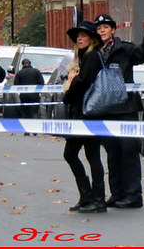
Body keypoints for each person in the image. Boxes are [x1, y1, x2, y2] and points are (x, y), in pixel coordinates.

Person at [93, 13, 144, 209]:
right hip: (104, 109)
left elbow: (143, 54)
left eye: (105, 27)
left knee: (128, 151)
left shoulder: (124, 49)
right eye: (98, 28)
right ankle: (117, 193)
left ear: (113, 30)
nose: (102, 31)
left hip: (125, 108)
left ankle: (133, 195)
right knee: (112, 152)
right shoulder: (94, 52)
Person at [61, 21, 108, 213]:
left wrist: (68, 94)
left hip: (87, 114)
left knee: (77, 154)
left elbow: (83, 82)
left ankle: (95, 198)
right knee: (89, 155)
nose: (79, 38)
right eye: (77, 36)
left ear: (92, 39)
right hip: (85, 113)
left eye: (84, 35)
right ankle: (89, 197)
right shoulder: (85, 57)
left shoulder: (92, 57)